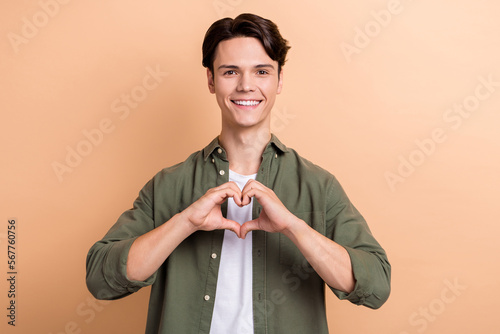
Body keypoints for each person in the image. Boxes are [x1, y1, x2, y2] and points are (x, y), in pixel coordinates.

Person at [86, 13, 391, 334]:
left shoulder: (318, 185)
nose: (246, 85)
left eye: (261, 71)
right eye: (230, 72)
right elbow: (100, 279)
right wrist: (185, 222)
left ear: (279, 80)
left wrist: (293, 227)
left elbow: (376, 286)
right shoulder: (167, 185)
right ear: (211, 80)